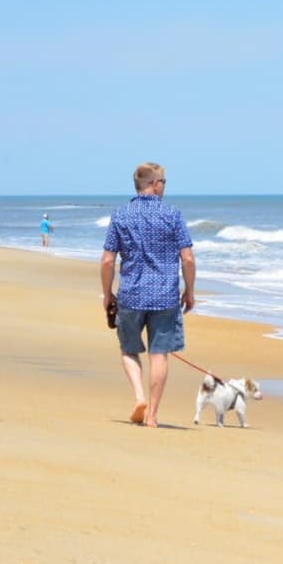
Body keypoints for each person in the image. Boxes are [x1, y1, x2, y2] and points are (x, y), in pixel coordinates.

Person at [101, 162, 196, 428]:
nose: (165, 186)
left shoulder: (120, 215)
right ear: (154, 184)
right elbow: (187, 259)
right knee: (159, 354)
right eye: (164, 181)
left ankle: (140, 397)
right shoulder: (173, 215)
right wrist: (189, 291)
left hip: (131, 294)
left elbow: (108, 261)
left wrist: (107, 294)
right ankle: (152, 415)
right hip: (165, 296)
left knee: (129, 349)